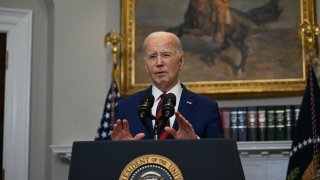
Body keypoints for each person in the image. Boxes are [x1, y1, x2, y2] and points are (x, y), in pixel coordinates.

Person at [110, 31, 223, 140]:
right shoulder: (126, 106)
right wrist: (122, 148)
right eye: (152, 56)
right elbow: (113, 156)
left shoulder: (206, 107)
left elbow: (218, 155)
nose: (159, 62)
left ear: (181, 62)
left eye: (166, 55)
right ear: (146, 65)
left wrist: (194, 142)